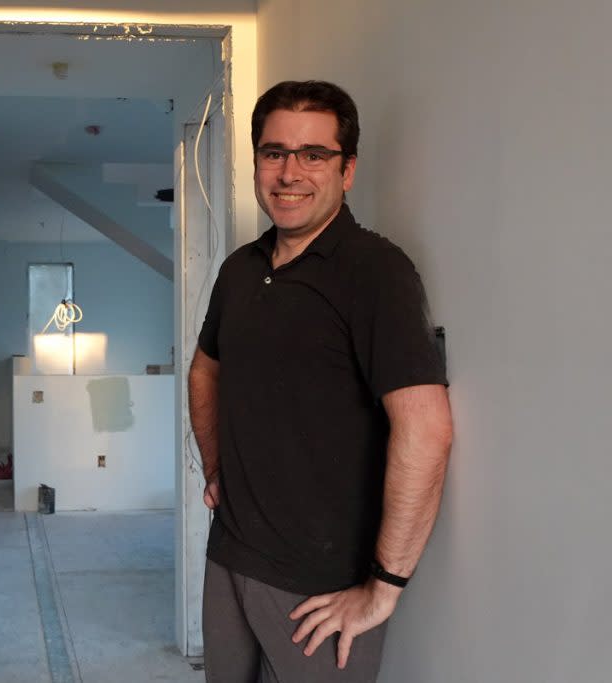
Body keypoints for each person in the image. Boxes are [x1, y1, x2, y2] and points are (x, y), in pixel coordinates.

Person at [189, 81, 453, 682]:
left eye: (314, 154)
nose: (289, 172)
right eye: (274, 152)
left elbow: (427, 427)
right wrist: (214, 467)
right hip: (230, 554)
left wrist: (384, 586)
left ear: (348, 169)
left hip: (319, 590)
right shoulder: (241, 269)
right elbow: (207, 368)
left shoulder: (376, 272)